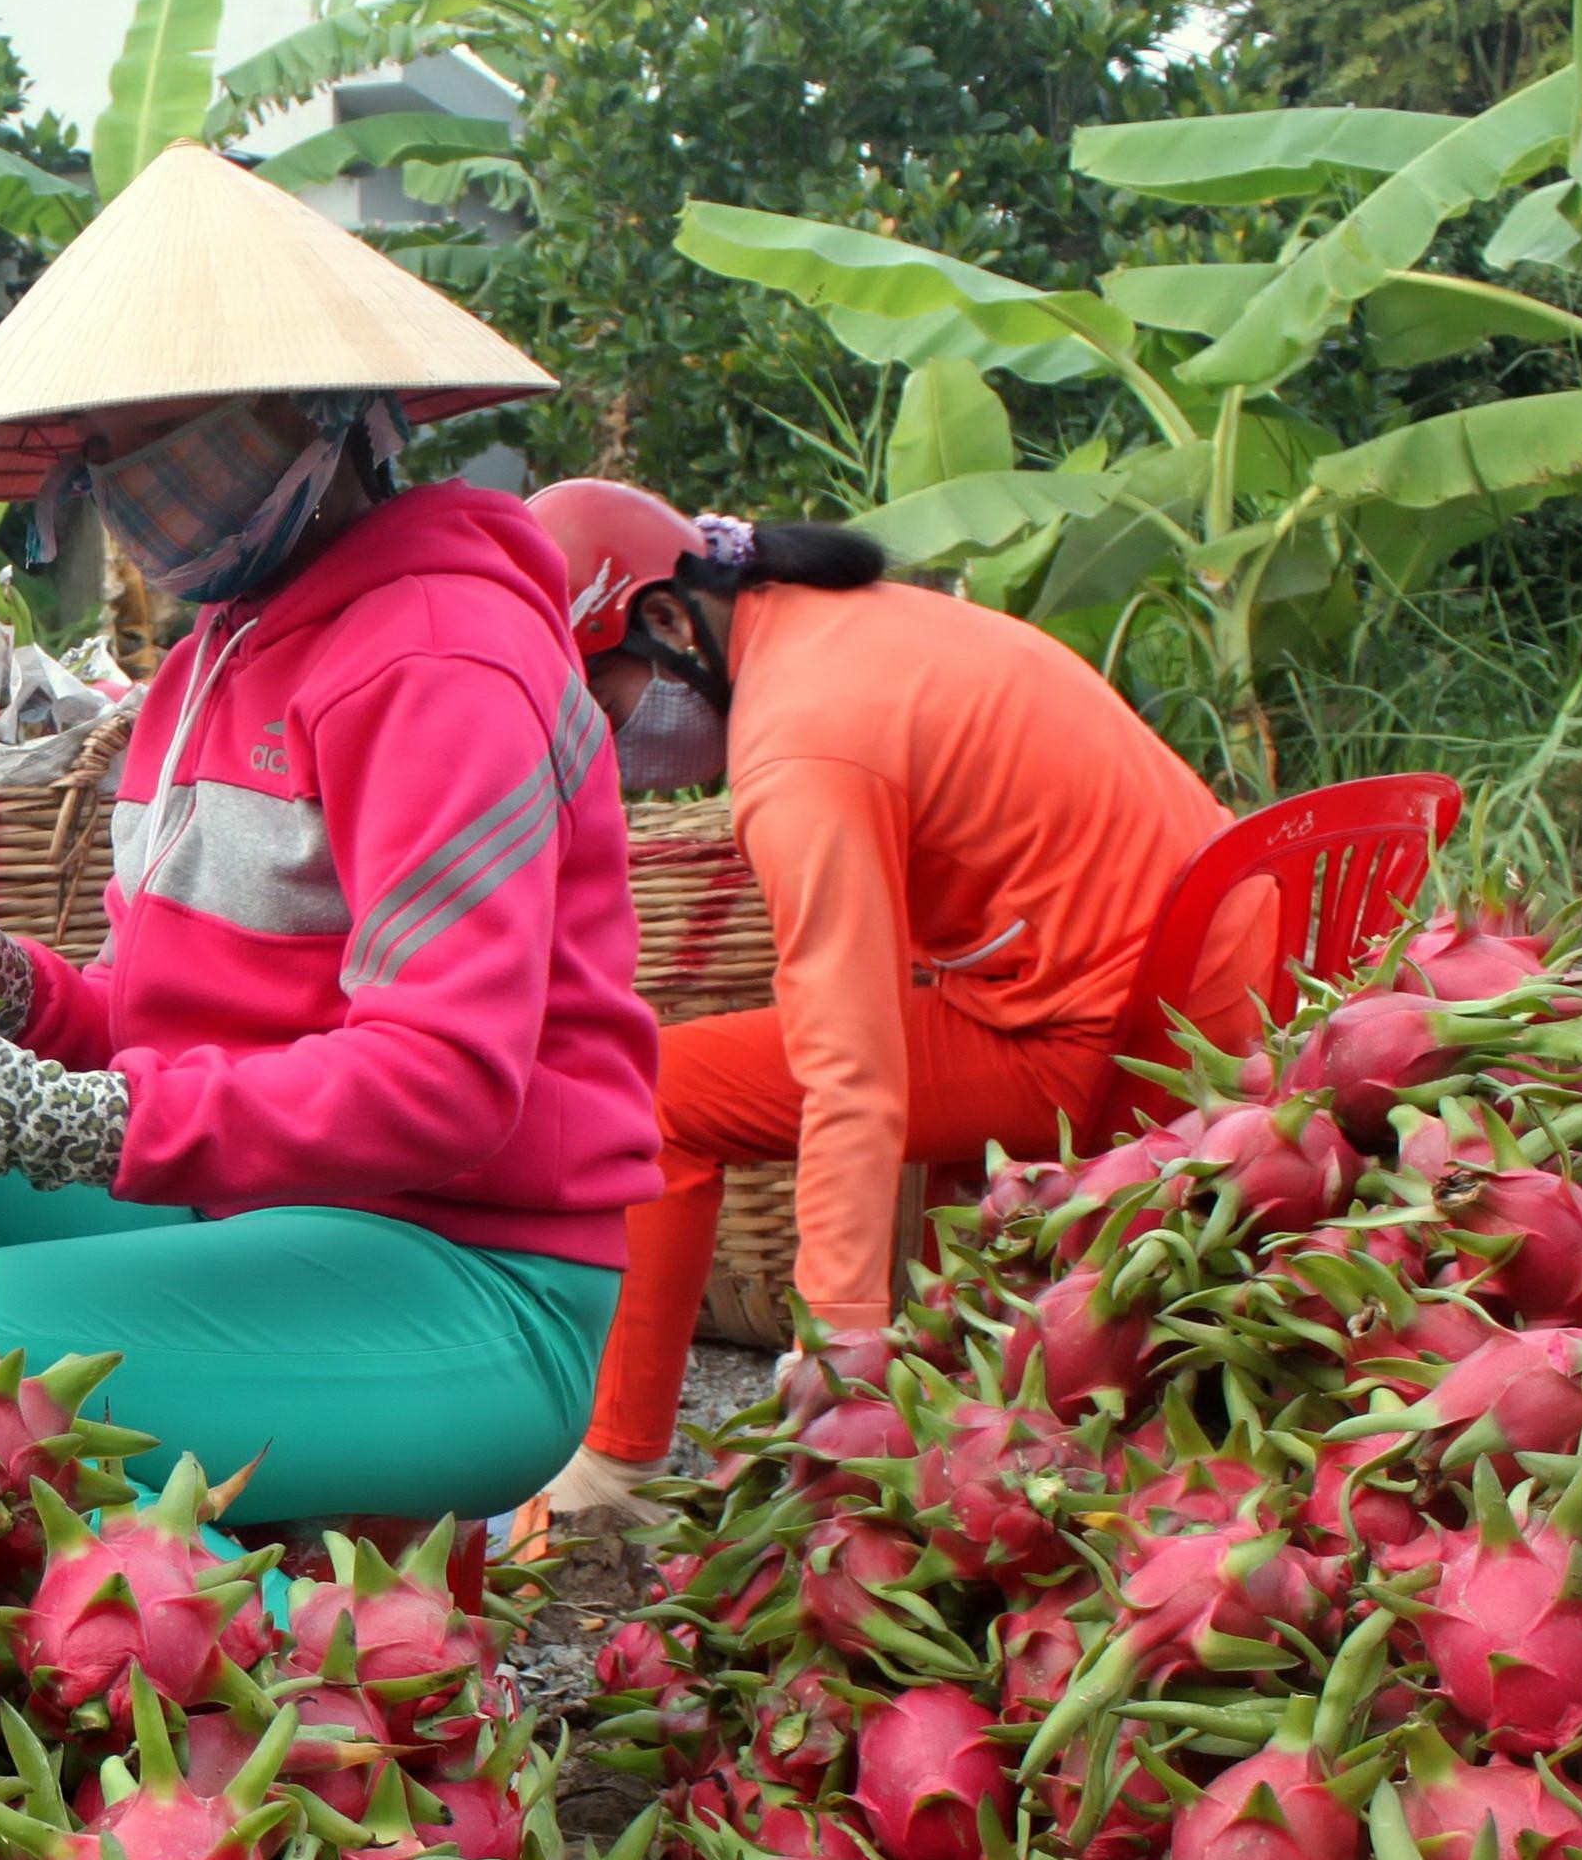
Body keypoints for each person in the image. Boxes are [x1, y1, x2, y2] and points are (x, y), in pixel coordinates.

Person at [0, 144, 658, 1528]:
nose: (115, 479)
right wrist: (13, 991)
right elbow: (174, 1035)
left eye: (150, 431)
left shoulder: (442, 656)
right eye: (93, 446)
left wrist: (73, 1117)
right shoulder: (220, 653)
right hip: (247, 1214)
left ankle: (296, 1684)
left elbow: (445, 1081)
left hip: (463, 1271)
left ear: (314, 409)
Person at [527, 479, 1258, 1517]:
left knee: (662, 1093)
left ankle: (615, 1470)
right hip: (1201, 978)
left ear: (664, 621)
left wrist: (834, 1343)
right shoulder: (848, 625)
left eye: (607, 706)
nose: (614, 750)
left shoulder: (800, 749)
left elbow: (850, 1072)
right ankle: (934, 1373)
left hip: (1119, 1031)